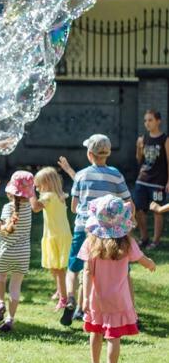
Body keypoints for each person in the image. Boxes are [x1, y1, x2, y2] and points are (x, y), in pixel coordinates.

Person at [60, 134, 133, 327]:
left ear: (89, 153)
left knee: (74, 267)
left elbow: (74, 207)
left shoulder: (82, 175)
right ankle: (90, 308)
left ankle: (70, 299)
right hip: (107, 231)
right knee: (96, 269)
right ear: (107, 153)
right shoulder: (116, 174)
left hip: (83, 227)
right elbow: (127, 201)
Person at [79, 195, 156, 363]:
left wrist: (84, 298)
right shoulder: (127, 242)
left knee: (96, 332)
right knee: (113, 336)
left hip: (96, 298)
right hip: (119, 299)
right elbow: (142, 260)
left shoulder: (91, 241)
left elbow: (88, 272)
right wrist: (151, 264)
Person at [0, 170, 34, 332]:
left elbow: (5, 228)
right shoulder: (28, 208)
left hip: (5, 252)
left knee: (0, 276)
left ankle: (0, 301)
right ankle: (10, 318)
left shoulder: (7, 207)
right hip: (23, 254)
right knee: (15, 287)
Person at [31, 167, 72, 310]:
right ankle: (61, 290)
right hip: (56, 235)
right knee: (54, 267)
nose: (36, 189)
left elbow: (35, 208)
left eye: (38, 186)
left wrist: (29, 193)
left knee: (58, 269)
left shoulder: (48, 196)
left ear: (47, 183)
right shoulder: (58, 195)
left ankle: (64, 299)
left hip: (56, 236)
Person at [134, 109, 169, 250]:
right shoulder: (142, 139)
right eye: (145, 120)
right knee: (138, 209)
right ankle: (144, 238)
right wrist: (139, 148)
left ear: (158, 121)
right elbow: (139, 160)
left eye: (150, 120)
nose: (147, 123)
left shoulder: (165, 140)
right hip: (142, 180)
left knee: (157, 210)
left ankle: (155, 241)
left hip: (158, 181)